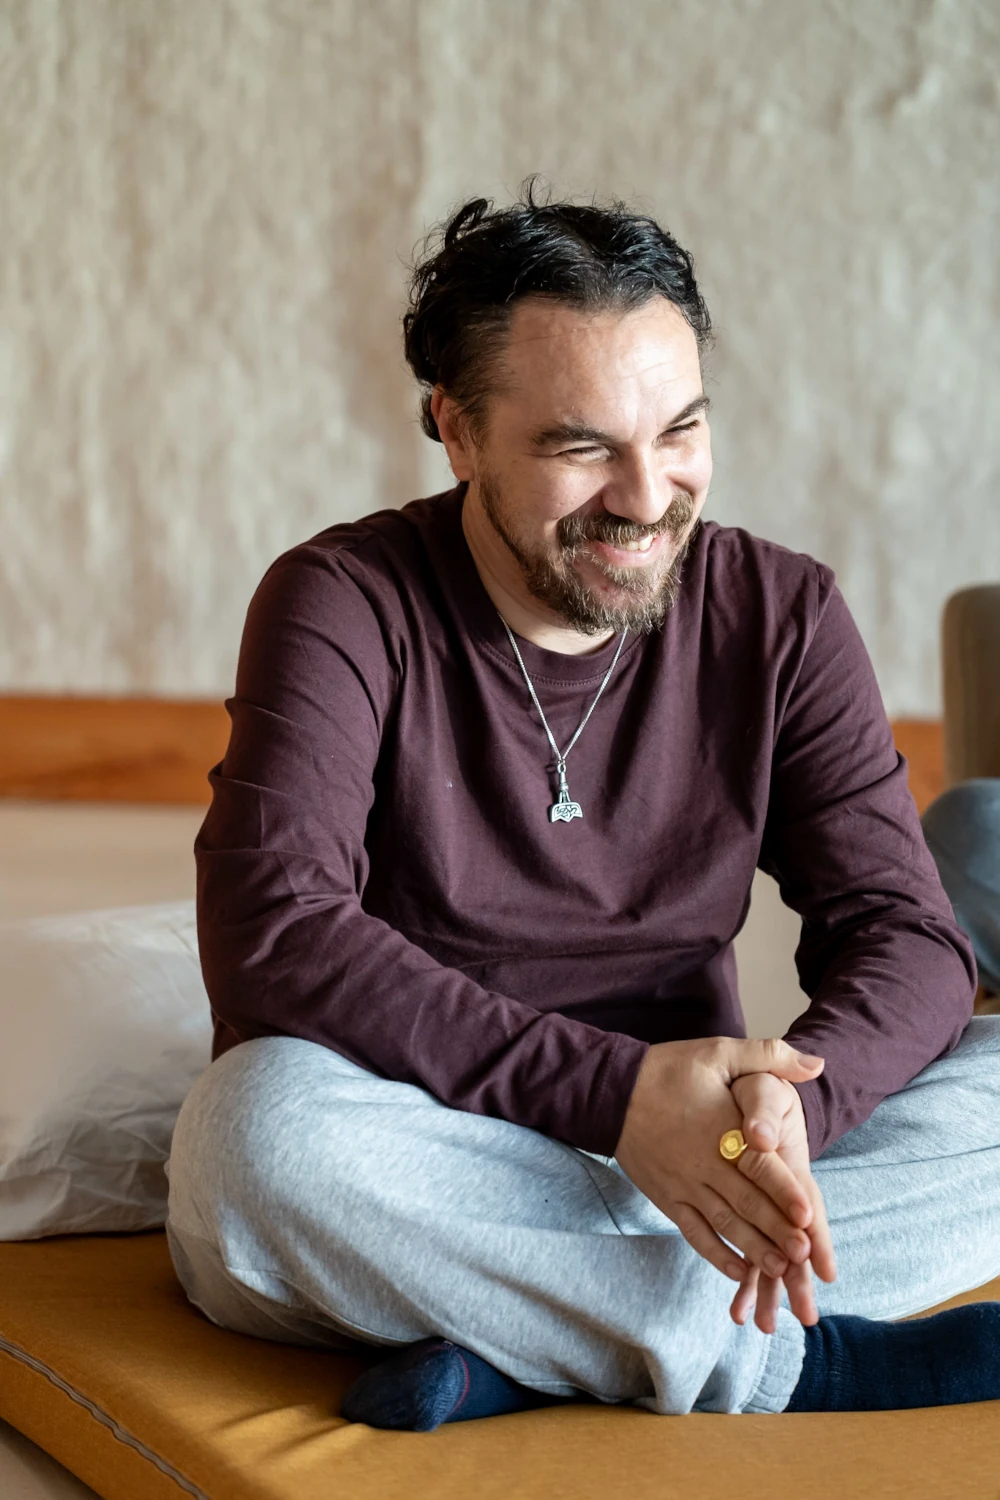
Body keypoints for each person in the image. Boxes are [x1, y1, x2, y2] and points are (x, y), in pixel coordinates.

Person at [166, 185, 1000, 1429]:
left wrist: (788, 1116)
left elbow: (908, 933)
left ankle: (519, 1350)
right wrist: (615, 1098)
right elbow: (276, 930)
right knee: (252, 1144)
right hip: (448, 1150)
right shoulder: (341, 601)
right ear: (456, 429)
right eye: (580, 448)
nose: (646, 494)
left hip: (700, 1168)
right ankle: (793, 1361)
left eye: (680, 431)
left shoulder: (782, 612)